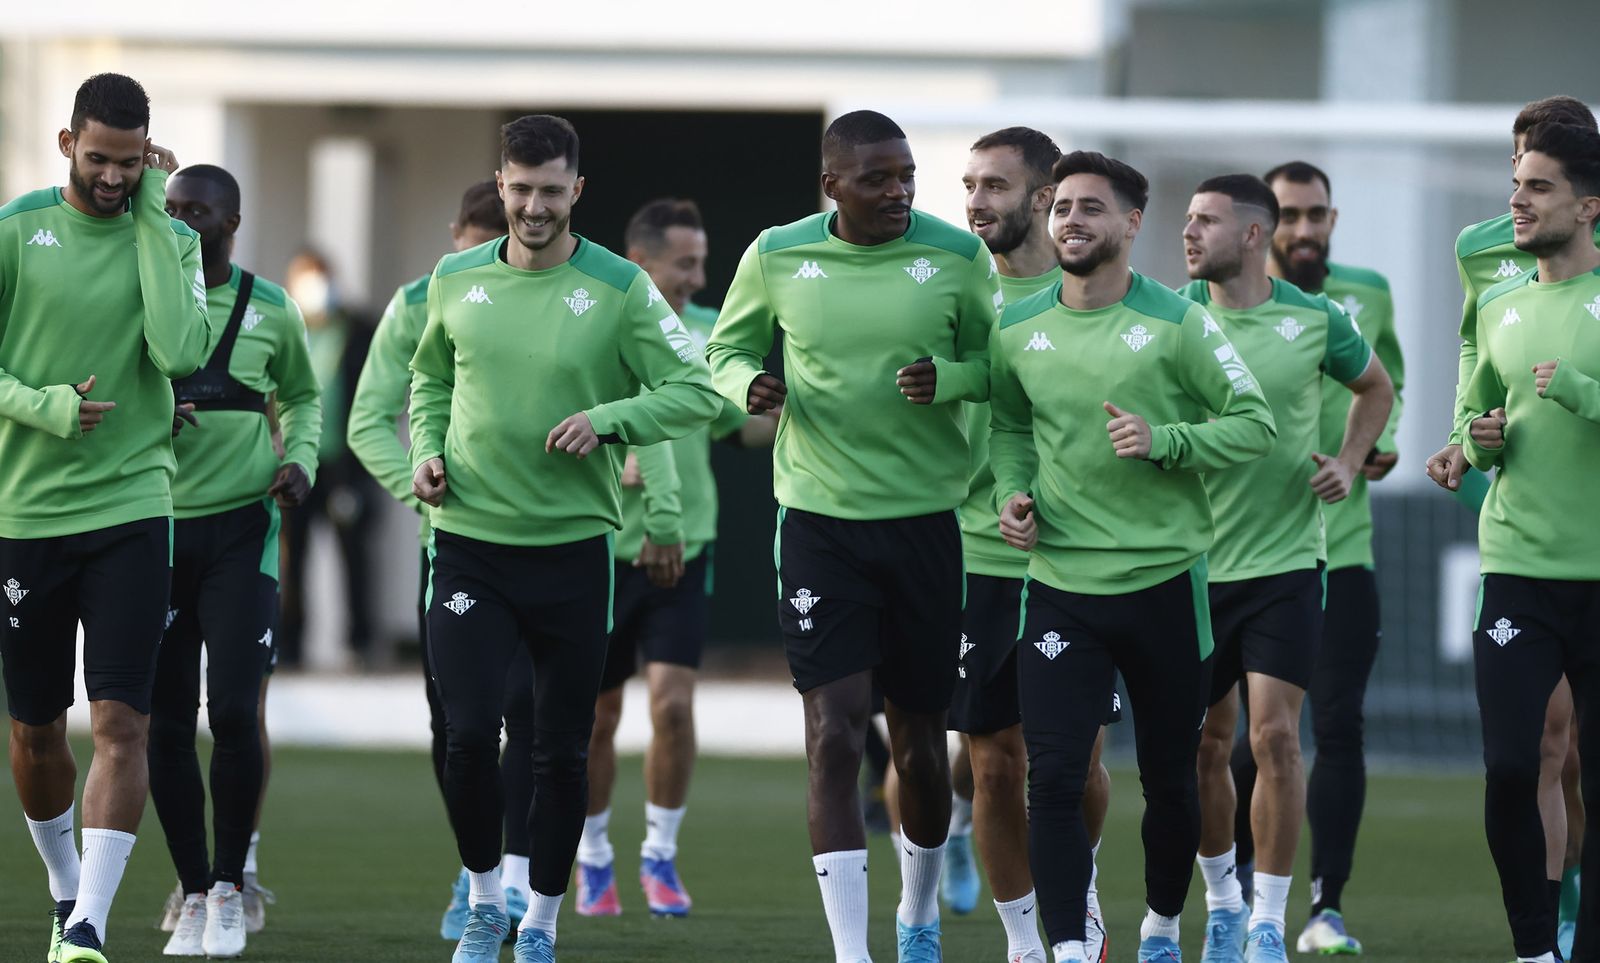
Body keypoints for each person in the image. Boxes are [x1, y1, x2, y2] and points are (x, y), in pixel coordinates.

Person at [409, 114, 719, 963]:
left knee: (557, 748)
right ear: (501, 184)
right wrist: (426, 449)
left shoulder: (620, 286)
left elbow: (695, 390)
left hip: (574, 552)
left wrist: (609, 419)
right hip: (470, 541)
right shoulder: (455, 278)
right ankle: (483, 901)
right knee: (468, 735)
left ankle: (540, 924)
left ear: (576, 190)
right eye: (521, 188)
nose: (535, 206)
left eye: (552, 191)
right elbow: (431, 377)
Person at [707, 109, 999, 962]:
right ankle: (851, 951)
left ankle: (917, 914)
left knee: (917, 738)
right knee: (833, 731)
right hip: (820, 524)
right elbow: (722, 352)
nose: (899, 189)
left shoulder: (957, 256)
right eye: (877, 178)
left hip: (927, 526)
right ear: (832, 185)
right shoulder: (775, 253)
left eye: (906, 173)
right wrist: (749, 384)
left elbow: (1002, 369)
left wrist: (951, 377)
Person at [988, 150, 1275, 963]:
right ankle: (1070, 947)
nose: (1072, 220)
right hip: (1059, 586)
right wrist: (1014, 494)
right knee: (1052, 778)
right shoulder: (1018, 326)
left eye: (1091, 207)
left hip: (1163, 585)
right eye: (1062, 207)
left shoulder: (1181, 323)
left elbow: (1254, 423)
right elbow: (1010, 428)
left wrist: (1166, 440)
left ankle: (1158, 925)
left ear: (1131, 223)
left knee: (1171, 781)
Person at [0, 72, 213, 963]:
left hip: (135, 503)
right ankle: (61, 888)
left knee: (125, 722)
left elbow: (181, 348)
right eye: (100, 160)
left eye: (132, 163)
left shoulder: (166, 235)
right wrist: (44, 406)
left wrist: (160, 218)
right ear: (66, 147)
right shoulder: (17, 231)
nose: (116, 177)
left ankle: (87, 924)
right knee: (36, 731)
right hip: (29, 511)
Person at [1176, 174, 1392, 963]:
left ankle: (1270, 917)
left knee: (1276, 737)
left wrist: (1348, 458)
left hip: (1289, 562)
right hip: (1193, 564)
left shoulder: (1316, 317)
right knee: (1205, 746)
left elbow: (1375, 386)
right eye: (1187, 219)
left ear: (1253, 235)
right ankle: (1223, 900)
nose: (1189, 233)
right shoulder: (1175, 314)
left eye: (1205, 221)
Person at [1427, 96, 1599, 960]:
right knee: (1516, 760)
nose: (1518, 200)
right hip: (1517, 563)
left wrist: (1580, 391)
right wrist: (1470, 441)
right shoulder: (1495, 289)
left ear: (1586, 199)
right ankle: (1537, 943)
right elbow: (1479, 388)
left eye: (1537, 182)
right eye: (1514, 177)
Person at [344, 180, 539, 939]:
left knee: (527, 711)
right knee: (459, 724)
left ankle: (513, 878)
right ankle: (476, 864)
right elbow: (368, 420)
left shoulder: (553, 289)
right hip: (453, 550)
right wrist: (421, 490)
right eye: (476, 242)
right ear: (454, 232)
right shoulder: (420, 301)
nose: (490, 257)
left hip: (541, 542)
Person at [576, 198, 777, 918]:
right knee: (597, 714)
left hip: (686, 546)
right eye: (684, 263)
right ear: (641, 265)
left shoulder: (706, 335)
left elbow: (740, 430)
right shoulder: (593, 330)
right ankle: (593, 855)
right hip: (601, 548)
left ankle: (659, 852)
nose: (698, 277)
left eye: (701, 263)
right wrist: (616, 454)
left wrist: (793, 414)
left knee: (673, 706)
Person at [145, 163, 321, 958]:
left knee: (237, 709)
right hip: (153, 532)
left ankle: (227, 886)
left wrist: (302, 459)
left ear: (233, 222)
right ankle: (188, 888)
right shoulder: (144, 294)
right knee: (167, 720)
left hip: (243, 535)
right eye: (172, 208)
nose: (182, 222)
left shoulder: (273, 307)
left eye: (199, 212)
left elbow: (306, 399)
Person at [956, 125, 1115, 963]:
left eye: (996, 185)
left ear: (1046, 197)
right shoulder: (951, 290)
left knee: (1077, 768)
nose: (978, 200)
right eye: (970, 185)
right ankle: (1027, 940)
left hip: (1083, 561)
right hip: (977, 556)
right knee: (991, 765)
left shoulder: (1097, 293)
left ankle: (1074, 889)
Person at [277, 249, 379, 669]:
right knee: (291, 556)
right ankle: (290, 645)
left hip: (345, 465)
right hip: (296, 461)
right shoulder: (284, 326)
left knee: (354, 551)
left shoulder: (358, 329)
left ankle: (361, 642)